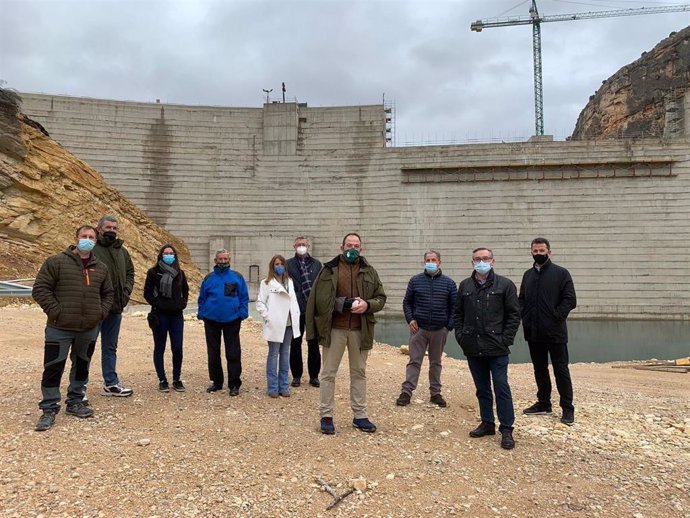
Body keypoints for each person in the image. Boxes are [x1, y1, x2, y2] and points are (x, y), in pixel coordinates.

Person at [32, 225, 114, 431]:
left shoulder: (101, 268)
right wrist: (56, 311)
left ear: (95, 241)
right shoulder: (56, 262)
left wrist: (100, 313)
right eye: (84, 236)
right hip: (59, 327)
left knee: (82, 365)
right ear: (76, 238)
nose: (87, 239)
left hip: (88, 328)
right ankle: (49, 408)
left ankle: (76, 401)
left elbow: (108, 294)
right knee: (53, 366)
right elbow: (40, 289)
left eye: (91, 237)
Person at [306, 233, 386, 435]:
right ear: (341, 248)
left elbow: (381, 298)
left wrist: (367, 305)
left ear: (361, 249)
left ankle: (360, 415)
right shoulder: (328, 270)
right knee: (328, 373)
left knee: (359, 373)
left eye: (356, 245)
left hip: (360, 330)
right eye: (349, 245)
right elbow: (317, 300)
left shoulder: (369, 271)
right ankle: (326, 416)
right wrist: (341, 304)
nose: (352, 248)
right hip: (334, 330)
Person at [454, 247, 520, 450]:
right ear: (472, 262)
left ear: (493, 261)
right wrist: (461, 336)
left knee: (501, 387)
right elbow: (458, 314)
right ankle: (487, 422)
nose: (481, 262)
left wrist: (505, 339)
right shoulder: (465, 285)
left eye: (485, 258)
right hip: (473, 347)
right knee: (482, 388)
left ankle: (507, 428)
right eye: (477, 259)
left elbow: (513, 315)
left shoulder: (505, 285)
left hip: (497, 348)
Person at [519, 237, 577, 426]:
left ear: (549, 252)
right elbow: (522, 300)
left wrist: (555, 316)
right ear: (531, 252)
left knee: (561, 369)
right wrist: (524, 317)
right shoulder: (528, 275)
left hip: (555, 332)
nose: (538, 254)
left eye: (542, 251)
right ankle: (544, 403)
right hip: (533, 332)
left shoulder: (561, 273)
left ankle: (567, 409)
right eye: (535, 251)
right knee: (539, 369)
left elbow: (570, 300)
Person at [396, 250, 456, 408]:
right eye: (428, 260)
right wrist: (410, 319)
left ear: (439, 262)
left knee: (435, 362)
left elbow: (454, 307)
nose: (431, 262)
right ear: (424, 262)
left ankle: (435, 393)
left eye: (433, 259)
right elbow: (407, 302)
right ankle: (406, 392)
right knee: (414, 361)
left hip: (439, 329)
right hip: (419, 329)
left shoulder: (449, 283)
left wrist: (448, 326)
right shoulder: (415, 281)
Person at [93, 214, 135, 397]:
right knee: (86, 346)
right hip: (95, 308)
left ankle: (111, 383)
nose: (111, 231)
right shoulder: (92, 248)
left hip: (116, 308)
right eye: (108, 227)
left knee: (110, 347)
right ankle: (79, 387)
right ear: (99, 228)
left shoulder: (121, 251)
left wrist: (126, 293)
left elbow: (130, 273)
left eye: (114, 228)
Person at [197, 249, 249, 396]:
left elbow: (244, 297)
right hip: (211, 320)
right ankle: (217, 382)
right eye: (220, 259)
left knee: (233, 353)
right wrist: (202, 313)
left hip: (232, 320)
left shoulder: (237, 277)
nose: (223, 262)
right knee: (213, 353)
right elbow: (202, 298)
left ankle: (234, 384)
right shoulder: (209, 279)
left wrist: (242, 313)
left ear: (229, 260)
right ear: (215, 261)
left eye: (225, 259)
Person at [143, 244, 190, 393]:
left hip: (176, 316)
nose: (169, 255)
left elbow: (185, 291)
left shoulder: (180, 273)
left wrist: (182, 304)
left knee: (177, 348)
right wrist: (158, 303)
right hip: (160, 315)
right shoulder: (153, 272)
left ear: (175, 256)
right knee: (160, 347)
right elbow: (147, 293)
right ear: (161, 255)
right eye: (166, 253)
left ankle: (177, 379)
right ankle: (162, 380)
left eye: (171, 253)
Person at [256, 255, 301, 398]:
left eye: (281, 263)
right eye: (276, 264)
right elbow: (260, 302)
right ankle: (273, 387)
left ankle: (284, 386)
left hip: (289, 323)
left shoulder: (290, 282)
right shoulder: (266, 283)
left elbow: (293, 300)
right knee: (273, 354)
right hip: (275, 324)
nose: (279, 266)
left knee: (285, 354)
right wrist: (268, 317)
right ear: (272, 266)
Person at [286, 236, 322, 388]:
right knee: (295, 343)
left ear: (308, 246)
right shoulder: (288, 264)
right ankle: (296, 376)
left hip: (313, 309)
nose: (301, 247)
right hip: (296, 309)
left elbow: (321, 285)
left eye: (304, 244)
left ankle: (314, 376)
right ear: (294, 246)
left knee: (313, 343)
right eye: (299, 244)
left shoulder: (317, 264)